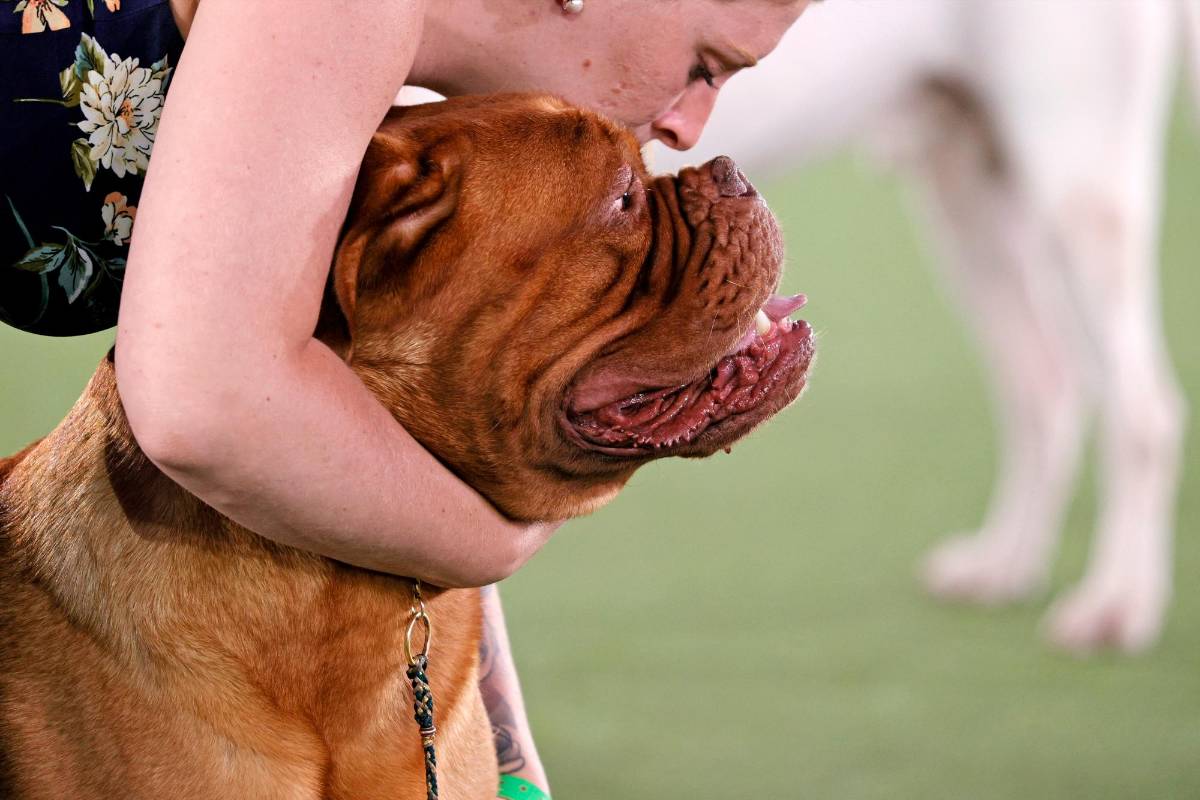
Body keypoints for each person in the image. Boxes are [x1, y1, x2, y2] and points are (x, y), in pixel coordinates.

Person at [0, 0, 808, 795]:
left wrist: (510, 767)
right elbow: (208, 409)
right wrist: (492, 544)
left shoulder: (393, 89)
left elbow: (392, 394)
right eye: (705, 66)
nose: (689, 127)